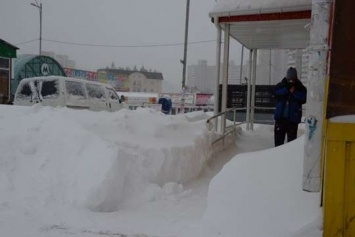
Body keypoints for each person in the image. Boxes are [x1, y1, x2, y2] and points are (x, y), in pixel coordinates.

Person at [273, 67, 307, 147]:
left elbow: (303, 98)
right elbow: (276, 94)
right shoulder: (281, 85)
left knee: (292, 144)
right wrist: (287, 90)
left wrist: (294, 92)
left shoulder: (300, 87)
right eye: (289, 79)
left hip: (293, 120)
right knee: (278, 144)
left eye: (293, 79)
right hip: (280, 119)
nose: (291, 81)